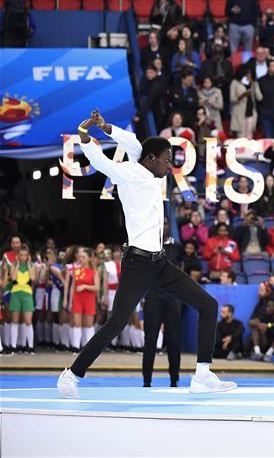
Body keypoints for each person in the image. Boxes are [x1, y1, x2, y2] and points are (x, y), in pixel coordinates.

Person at [58, 110, 236, 398]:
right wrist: (85, 135)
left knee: (209, 305)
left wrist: (107, 127)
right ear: (152, 159)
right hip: (137, 264)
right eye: (167, 160)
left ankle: (203, 375)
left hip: (160, 263)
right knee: (116, 324)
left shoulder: (147, 164)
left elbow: (132, 142)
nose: (170, 165)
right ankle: (71, 376)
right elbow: (99, 161)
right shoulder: (128, 174)